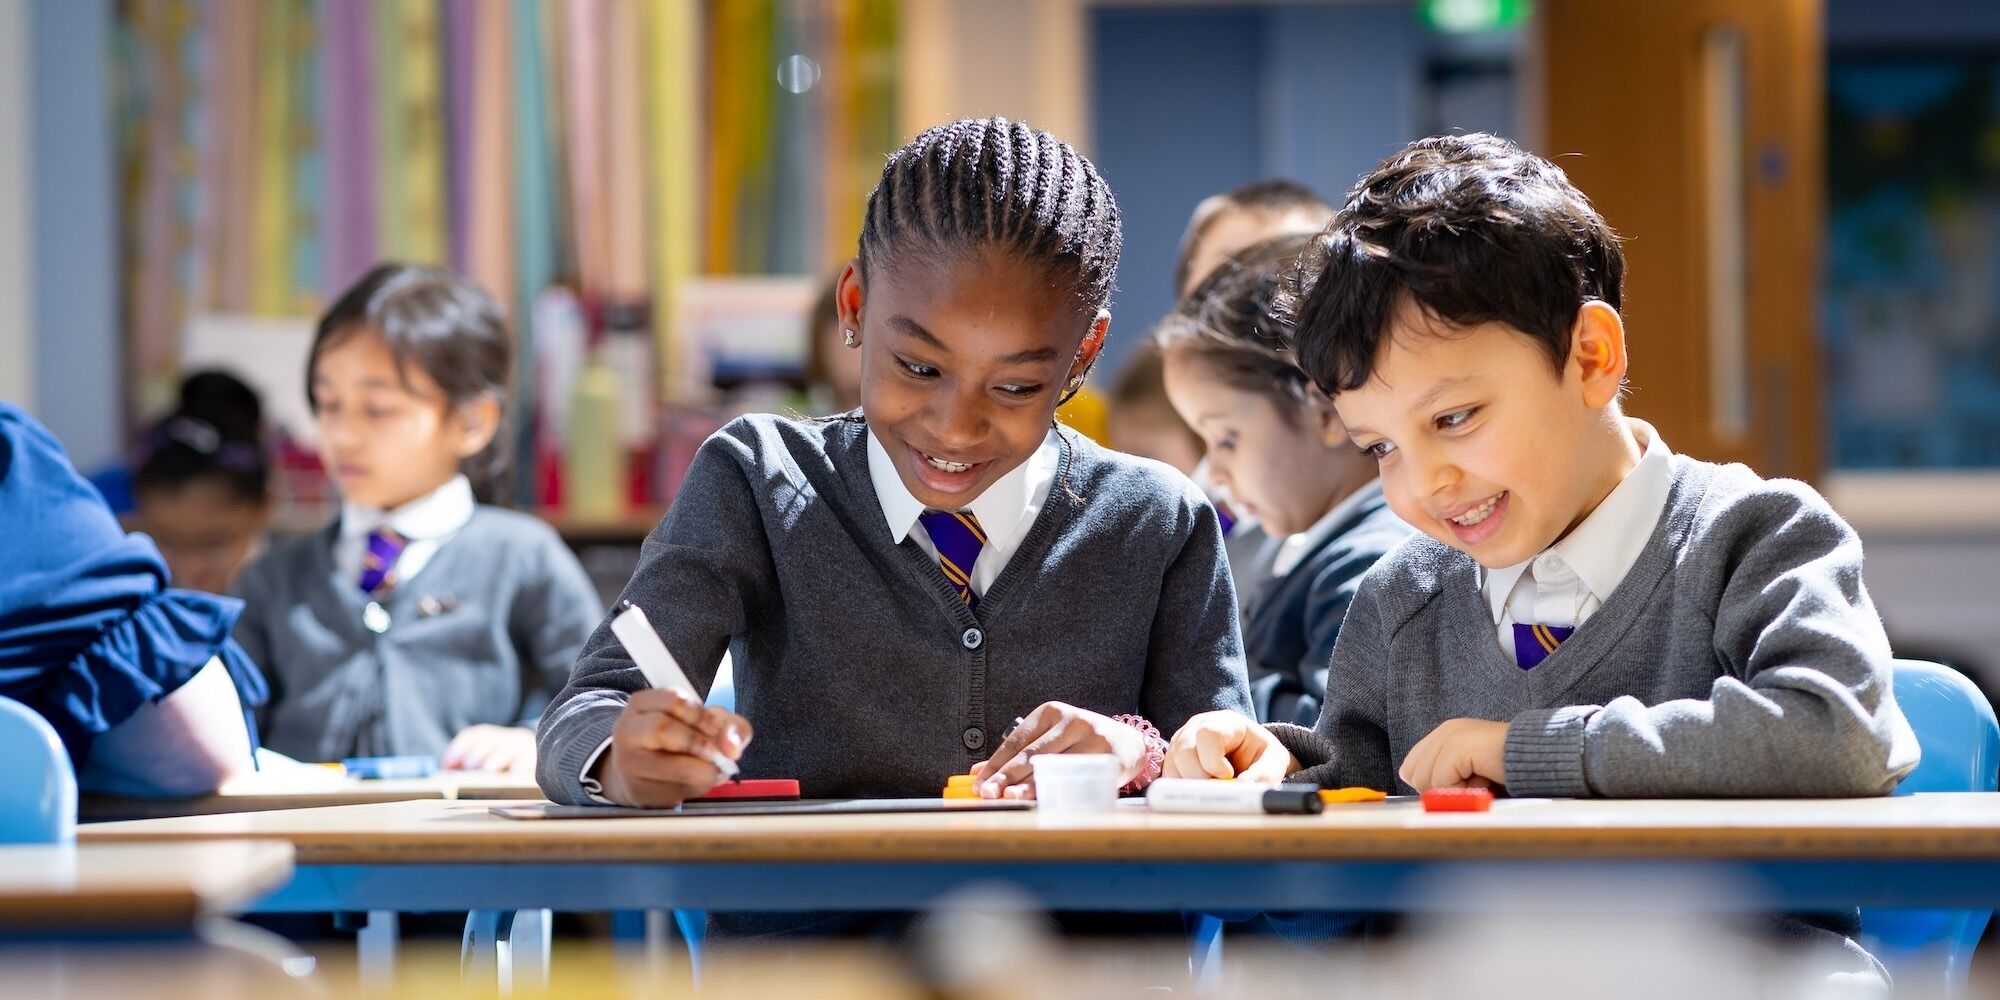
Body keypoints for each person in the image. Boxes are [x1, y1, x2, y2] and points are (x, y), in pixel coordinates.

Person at [1165, 133, 1917, 981]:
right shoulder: (1400, 598)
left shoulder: (1754, 536)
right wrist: (1270, 777)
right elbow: (1339, 883)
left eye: (1454, 419)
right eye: (1380, 448)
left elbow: (1839, 737)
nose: (1426, 482)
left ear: (1591, 356)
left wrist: (1530, 751)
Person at [232, 263, 602, 773]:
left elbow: (601, 699)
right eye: (328, 404)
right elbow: (226, 727)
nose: (342, 437)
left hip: (461, 843)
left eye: (377, 409)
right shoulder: (274, 579)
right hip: (304, 843)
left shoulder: (522, 556)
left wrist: (532, 739)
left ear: (471, 422)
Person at [1157, 233, 1412, 726]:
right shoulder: (1288, 546)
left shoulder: (1371, 561)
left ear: (1323, 410)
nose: (1216, 474)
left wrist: (1192, 689)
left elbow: (1332, 738)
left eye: (1226, 438)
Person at [0, 404, 266, 797]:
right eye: (168, 540)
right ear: (130, 522)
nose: (192, 565)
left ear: (262, 514)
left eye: (214, 542)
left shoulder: (281, 591)